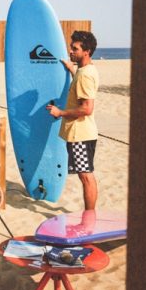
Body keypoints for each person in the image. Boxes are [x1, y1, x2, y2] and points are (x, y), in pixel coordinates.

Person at [46, 30, 100, 210]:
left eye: (75, 49)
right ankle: (89, 214)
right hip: (81, 134)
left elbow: (87, 108)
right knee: (85, 175)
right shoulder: (85, 70)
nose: (71, 51)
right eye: (71, 47)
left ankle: (90, 215)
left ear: (87, 51)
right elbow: (80, 75)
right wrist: (71, 68)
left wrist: (59, 112)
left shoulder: (84, 75)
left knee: (86, 176)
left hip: (81, 136)